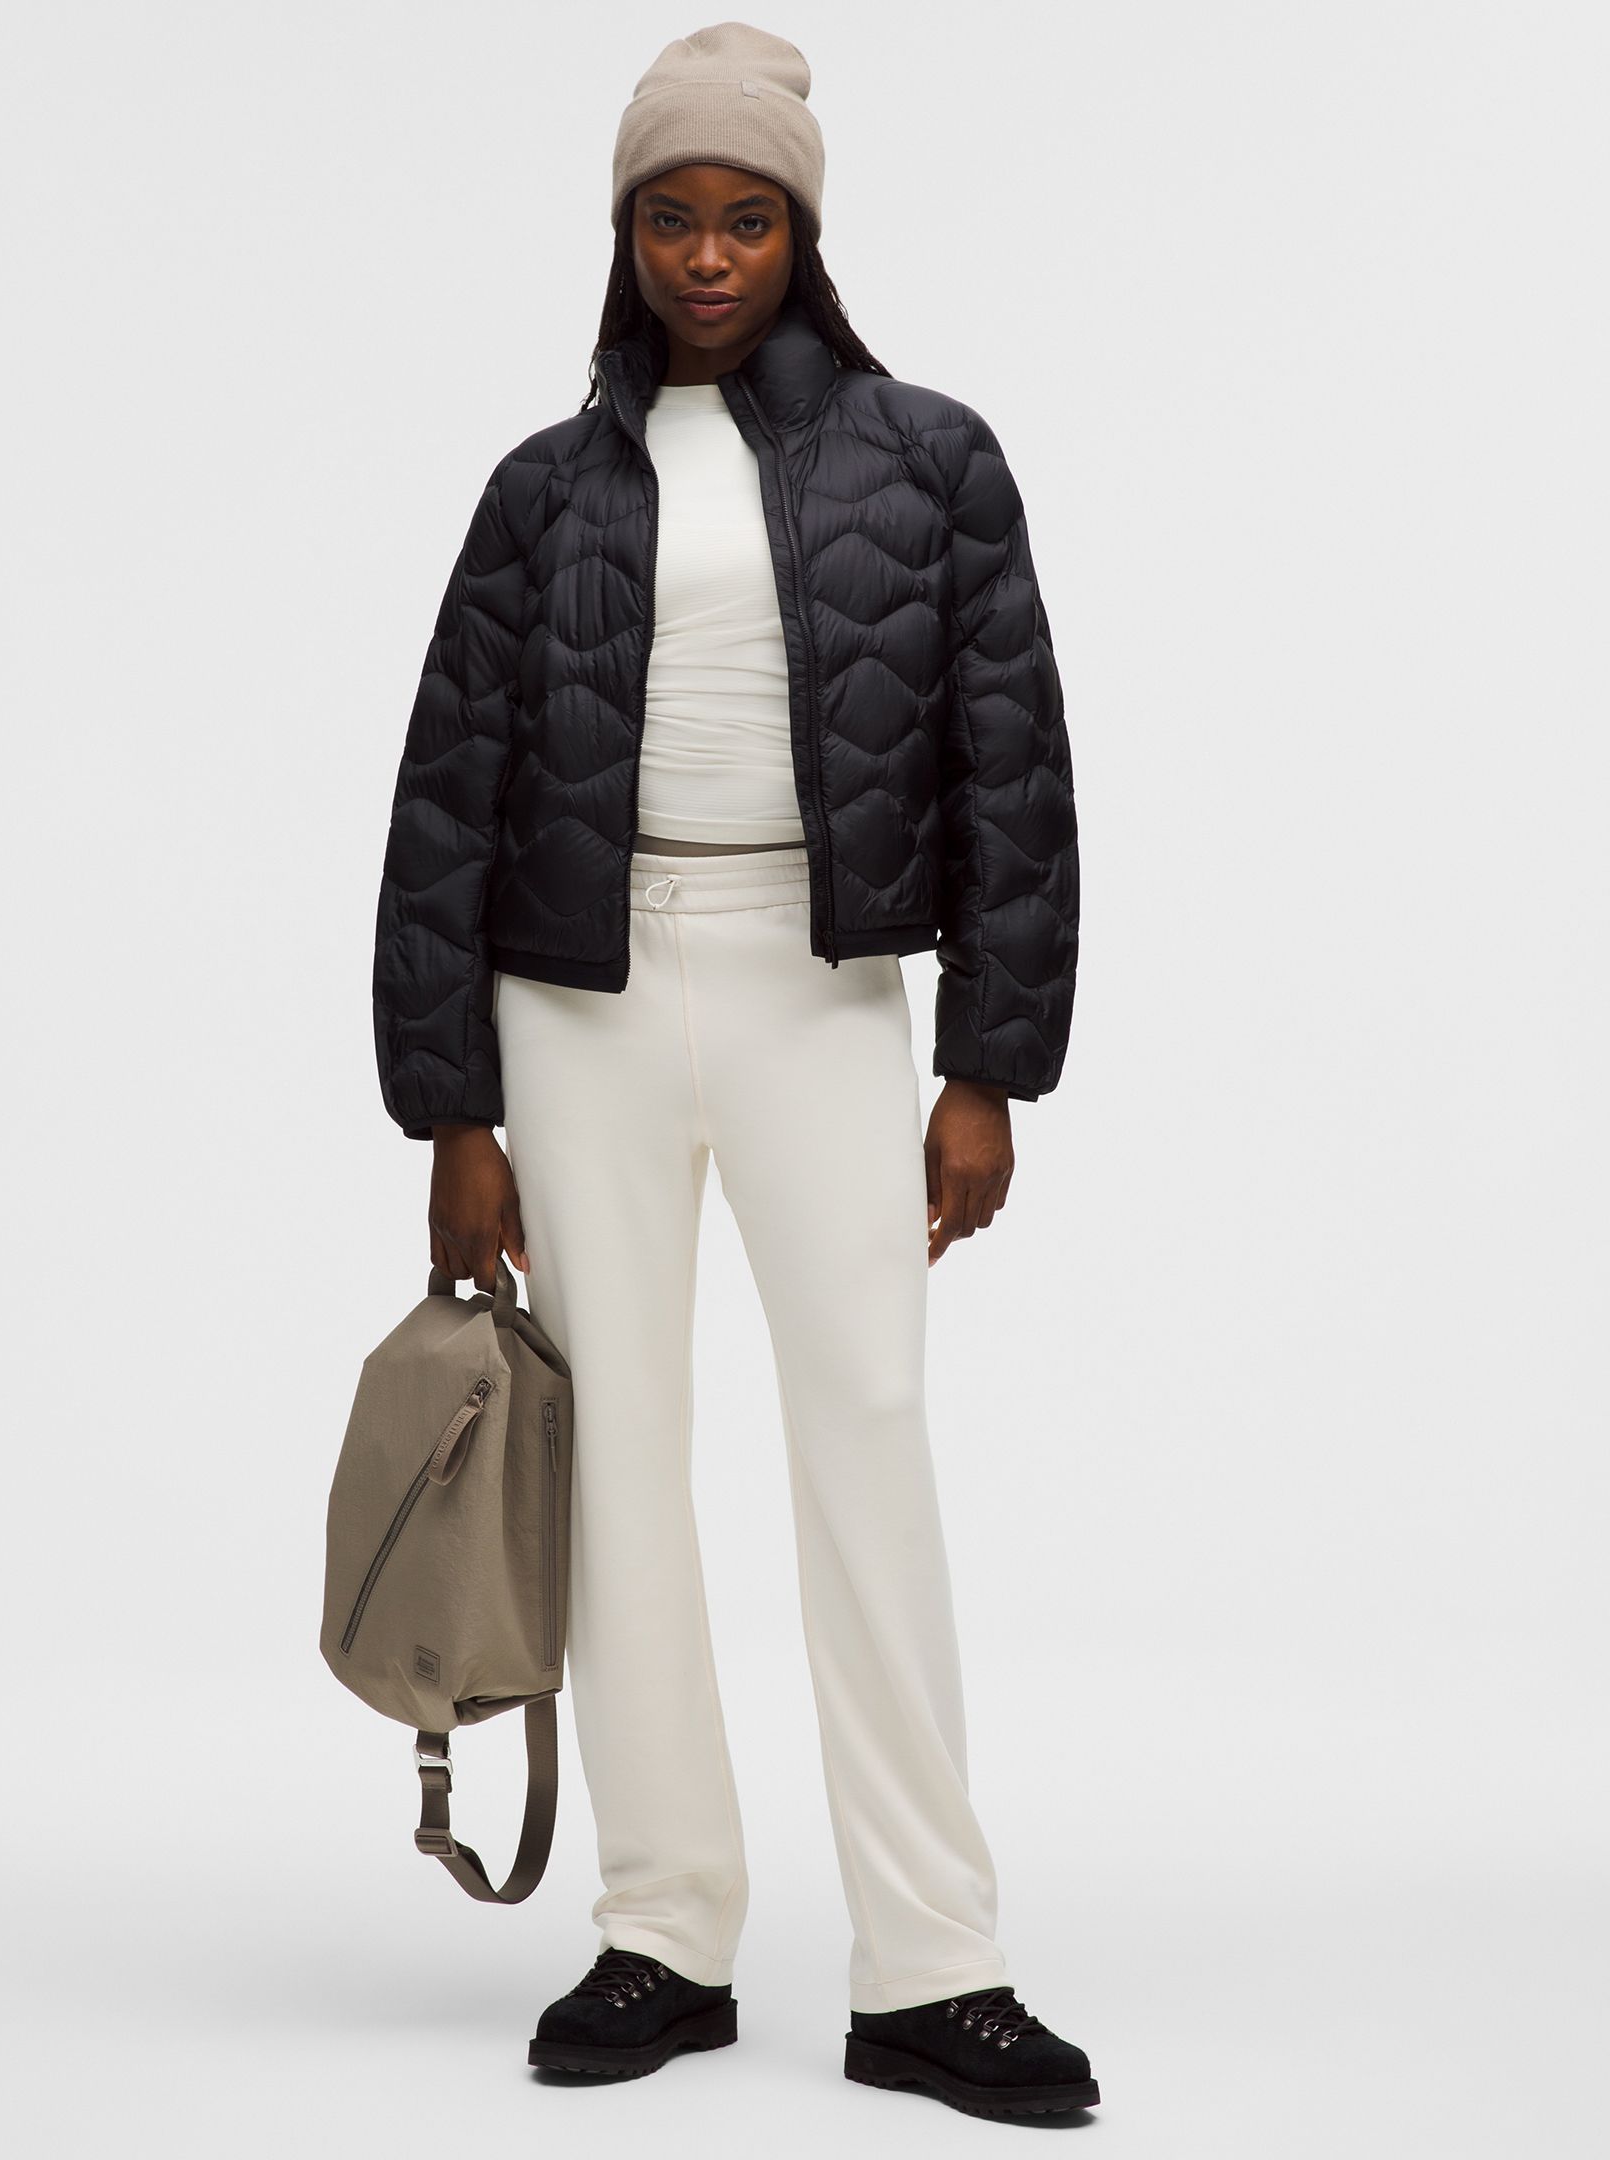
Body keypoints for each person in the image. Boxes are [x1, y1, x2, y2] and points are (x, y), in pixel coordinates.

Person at [372, 19, 1096, 2122]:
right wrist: (453, 1108)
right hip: (578, 1002)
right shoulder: (546, 489)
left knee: (867, 1432)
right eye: (671, 217)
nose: (706, 254)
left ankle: (932, 1966)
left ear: (802, 230)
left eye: (747, 217)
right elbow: (447, 797)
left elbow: (1013, 774)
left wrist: (990, 1065)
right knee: (619, 1462)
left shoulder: (928, 461)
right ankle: (665, 1933)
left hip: (818, 987)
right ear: (627, 233)